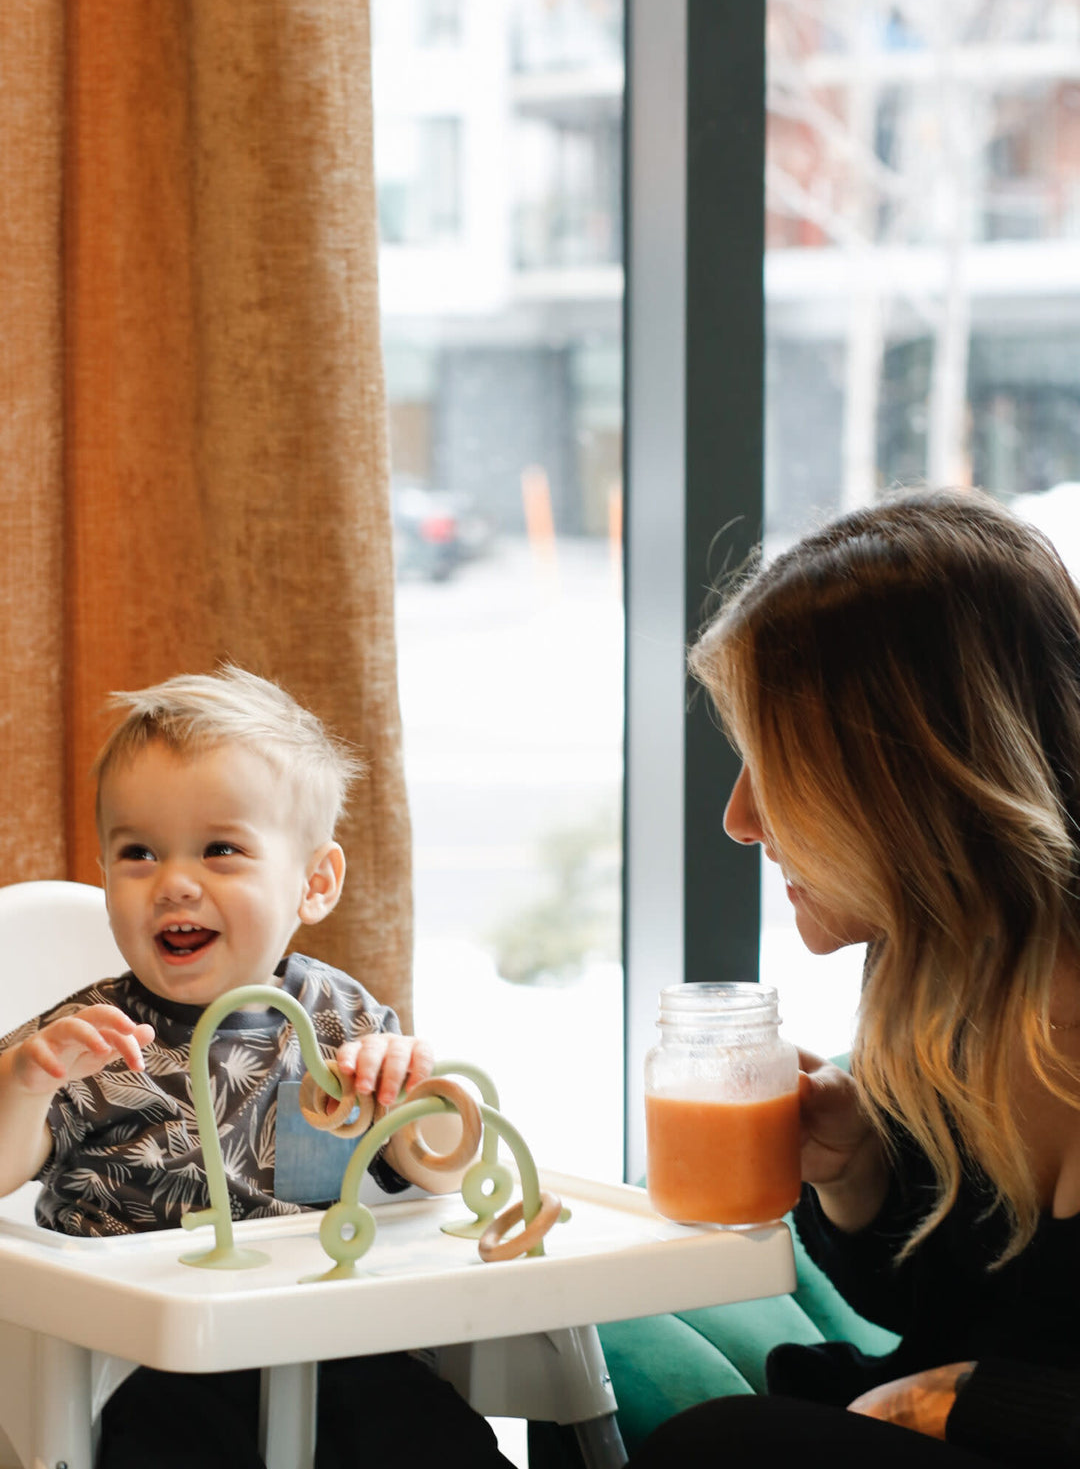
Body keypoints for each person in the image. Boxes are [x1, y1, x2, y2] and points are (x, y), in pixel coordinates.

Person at [630, 489, 1080, 1469]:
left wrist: (960, 1403)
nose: (739, 820)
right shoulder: (944, 983)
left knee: (720, 1446)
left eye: (774, 768)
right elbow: (943, 1311)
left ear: (910, 775)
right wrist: (858, 1171)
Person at [0, 665, 512, 1469]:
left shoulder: (342, 1021)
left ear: (314, 883)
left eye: (220, 850)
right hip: (145, 1361)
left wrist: (413, 1087)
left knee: (428, 1430)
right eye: (137, 853)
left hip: (326, 1334)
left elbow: (447, 1171)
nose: (173, 882)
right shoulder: (88, 1037)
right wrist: (25, 1083)